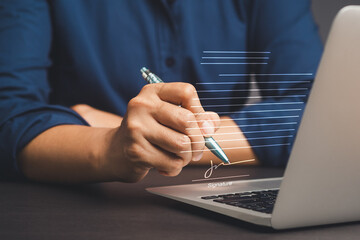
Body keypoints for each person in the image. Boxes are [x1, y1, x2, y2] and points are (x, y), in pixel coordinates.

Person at [0, 0, 323, 182]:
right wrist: (111, 147)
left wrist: (118, 130)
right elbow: (9, 115)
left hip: (212, 193)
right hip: (76, 202)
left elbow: (319, 114)